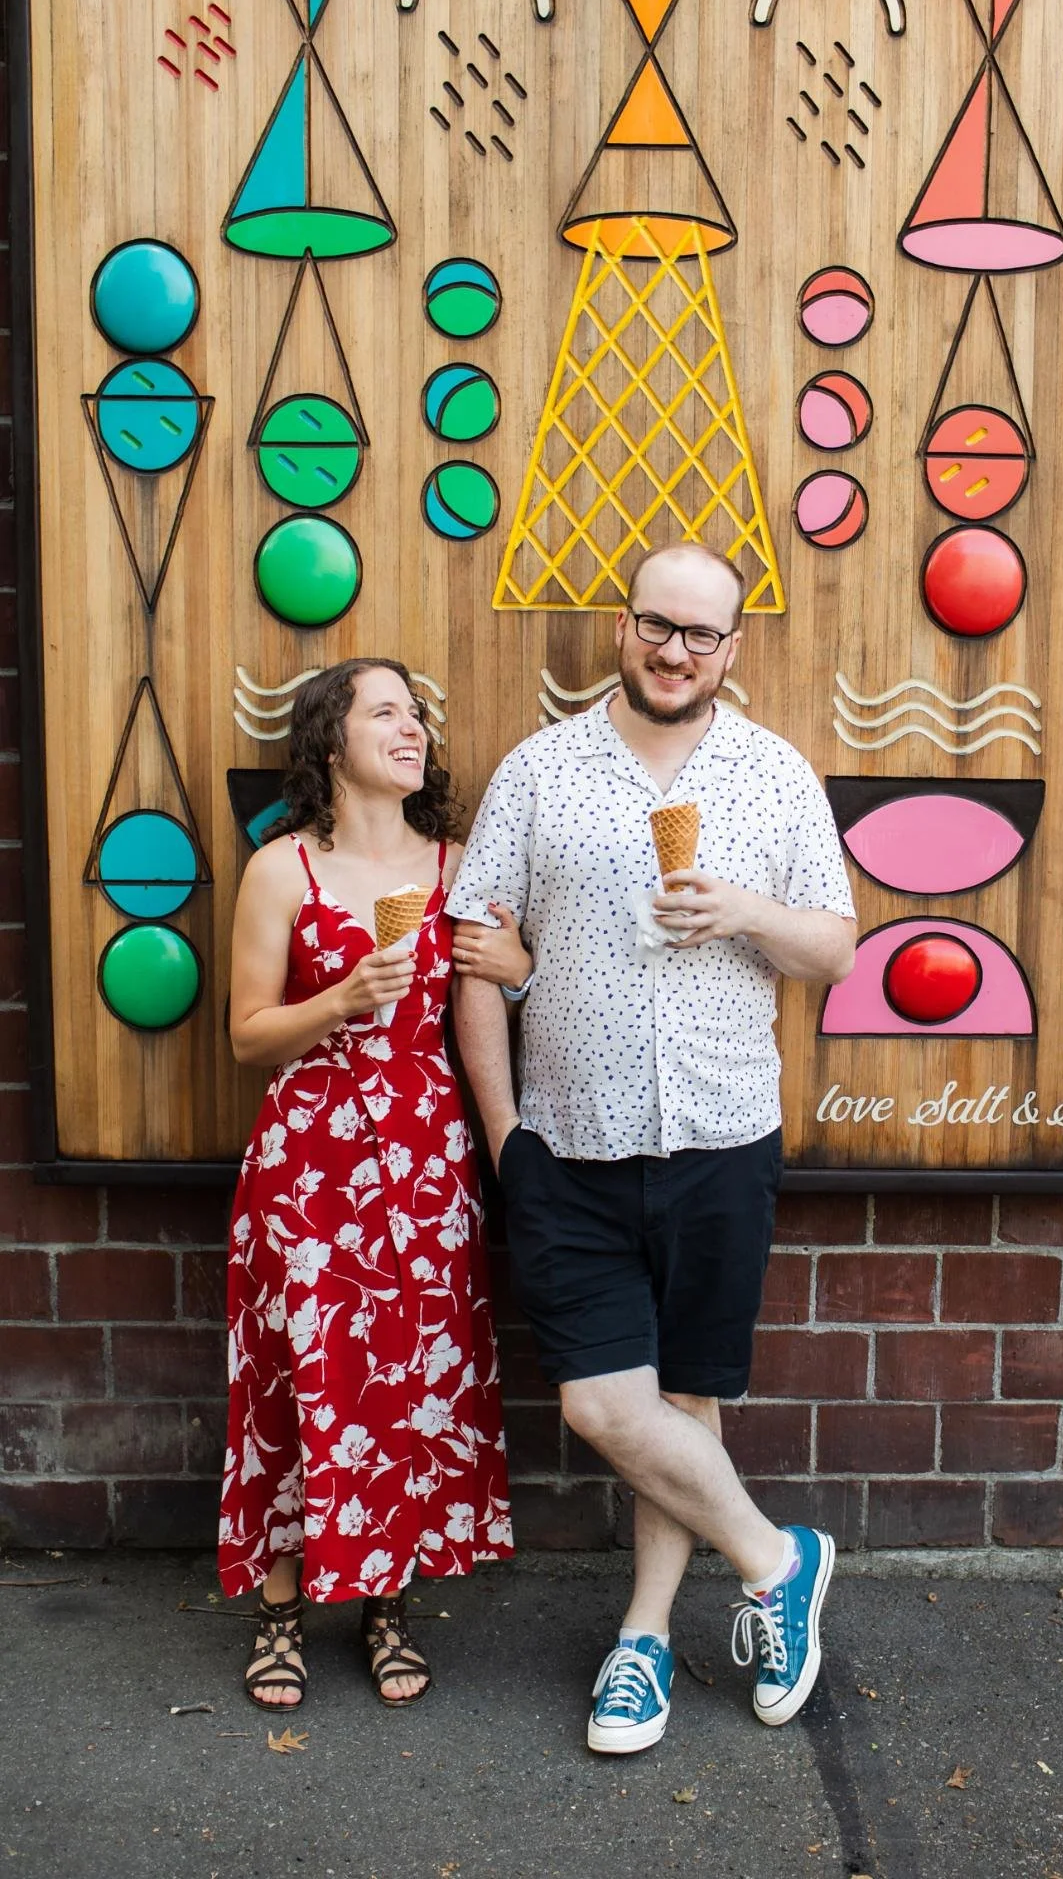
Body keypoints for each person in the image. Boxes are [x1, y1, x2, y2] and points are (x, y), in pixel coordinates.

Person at [450, 543, 857, 1755]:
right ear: (623, 628)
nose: (674, 650)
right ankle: (780, 1561)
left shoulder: (773, 776)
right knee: (599, 1405)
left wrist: (741, 911)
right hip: (568, 1144)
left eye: (701, 634)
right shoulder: (539, 771)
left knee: (687, 1400)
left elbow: (832, 948)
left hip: (721, 1135)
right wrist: (506, 1135)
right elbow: (479, 954)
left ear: (733, 648)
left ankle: (641, 1644)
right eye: (655, 625)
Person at [220, 658, 526, 1710]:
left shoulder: (455, 865)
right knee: (296, 1373)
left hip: (425, 1154)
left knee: (406, 1379)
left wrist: (516, 959)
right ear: (330, 739)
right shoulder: (281, 872)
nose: (411, 730)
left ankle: (388, 1604)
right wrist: (345, 996)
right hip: (308, 1159)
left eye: (417, 716)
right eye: (384, 712)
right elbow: (248, 1034)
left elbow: (515, 977)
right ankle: (279, 1611)